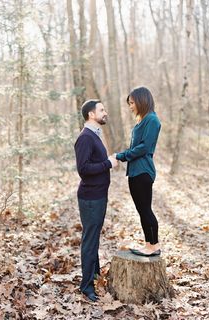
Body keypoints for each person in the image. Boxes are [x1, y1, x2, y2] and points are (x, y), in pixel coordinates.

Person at [74, 99, 118, 302]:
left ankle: (95, 274)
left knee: (94, 237)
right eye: (101, 109)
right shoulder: (85, 138)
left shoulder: (95, 135)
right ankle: (86, 286)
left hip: (99, 195)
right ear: (91, 114)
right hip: (90, 197)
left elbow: (93, 162)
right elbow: (83, 169)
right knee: (90, 240)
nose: (105, 112)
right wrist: (107, 163)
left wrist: (106, 161)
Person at [115, 86, 161, 257]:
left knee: (146, 209)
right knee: (142, 210)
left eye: (132, 103)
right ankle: (148, 244)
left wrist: (122, 155)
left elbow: (144, 148)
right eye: (129, 103)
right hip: (134, 172)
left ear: (142, 101)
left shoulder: (152, 120)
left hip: (143, 171)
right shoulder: (142, 120)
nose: (131, 106)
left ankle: (154, 245)